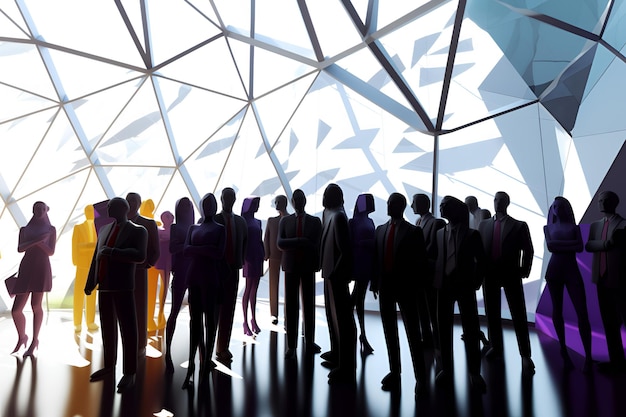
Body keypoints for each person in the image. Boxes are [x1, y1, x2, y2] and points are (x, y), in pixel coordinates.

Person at [84, 197, 148, 392]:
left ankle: (130, 372)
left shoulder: (138, 231)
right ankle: (109, 365)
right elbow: (96, 257)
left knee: (128, 329)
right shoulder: (104, 230)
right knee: (107, 328)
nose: (108, 208)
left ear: (123, 209)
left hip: (122, 286)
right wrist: (91, 283)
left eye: (112, 206)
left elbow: (140, 255)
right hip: (104, 286)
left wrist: (113, 252)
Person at [371, 193, 427, 396]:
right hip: (385, 286)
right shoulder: (380, 230)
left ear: (401, 206)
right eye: (388, 203)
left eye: (391, 203)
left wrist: (418, 289)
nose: (387, 206)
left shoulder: (413, 232)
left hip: (406, 288)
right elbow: (376, 259)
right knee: (389, 331)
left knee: (413, 332)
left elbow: (421, 263)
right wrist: (375, 284)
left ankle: (421, 377)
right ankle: (395, 371)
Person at [478, 191, 535, 375]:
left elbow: (528, 250)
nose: (498, 202)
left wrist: (523, 271)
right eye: (496, 199)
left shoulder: (518, 225)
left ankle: (525, 354)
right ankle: (496, 346)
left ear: (507, 203)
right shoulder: (483, 225)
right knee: (491, 313)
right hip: (489, 274)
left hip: (511, 274)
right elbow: (479, 251)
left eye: (502, 200)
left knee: (518, 314)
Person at [434, 196, 486, 393]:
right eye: (441, 205)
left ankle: (474, 372)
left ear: (455, 209)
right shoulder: (440, 233)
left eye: (445, 205)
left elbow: (481, 261)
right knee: (443, 329)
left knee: (471, 329)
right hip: (444, 285)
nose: (441, 207)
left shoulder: (472, 235)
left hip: (465, 286)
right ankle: (447, 369)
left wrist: (476, 283)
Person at [182, 193, 225, 388]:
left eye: (212, 204)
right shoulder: (194, 227)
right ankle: (192, 364)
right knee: (195, 322)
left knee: (210, 321)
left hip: (210, 277)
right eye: (206, 204)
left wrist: (197, 248)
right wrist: (205, 248)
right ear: (201, 206)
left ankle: (206, 361)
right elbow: (185, 250)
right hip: (195, 276)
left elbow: (219, 253)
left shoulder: (220, 229)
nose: (209, 207)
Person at [544, 196, 592, 371]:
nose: (557, 208)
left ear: (566, 208)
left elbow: (579, 247)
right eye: (555, 205)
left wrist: (560, 245)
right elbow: (551, 246)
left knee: (582, 312)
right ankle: (563, 349)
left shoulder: (573, 227)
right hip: (555, 271)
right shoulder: (549, 227)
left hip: (570, 270)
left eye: (560, 205)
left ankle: (588, 355)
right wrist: (568, 245)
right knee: (557, 310)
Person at [277, 189, 322, 359]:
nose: (297, 202)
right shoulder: (285, 221)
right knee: (291, 306)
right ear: (292, 202)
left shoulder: (314, 221)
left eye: (300, 199)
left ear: (305, 200)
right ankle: (291, 345)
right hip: (291, 267)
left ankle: (309, 341)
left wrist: (294, 243)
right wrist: (301, 241)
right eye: (295, 199)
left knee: (309, 305)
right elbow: (280, 243)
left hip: (308, 266)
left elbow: (316, 244)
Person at [584, 190, 626, 373]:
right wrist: (607, 244)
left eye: (604, 200)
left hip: (620, 279)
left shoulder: (623, 224)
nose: (600, 203)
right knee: (608, 322)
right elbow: (589, 245)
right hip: (601, 279)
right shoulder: (595, 226)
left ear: (613, 202)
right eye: (600, 200)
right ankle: (616, 360)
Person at [320, 183, 356, 385]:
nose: (323, 196)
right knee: (332, 317)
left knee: (343, 320)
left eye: (327, 194)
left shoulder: (339, 217)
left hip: (336, 276)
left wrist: (335, 272)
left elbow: (345, 251)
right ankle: (336, 352)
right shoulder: (330, 214)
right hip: (330, 274)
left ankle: (346, 365)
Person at [11, 201, 56, 357]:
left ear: (46, 210)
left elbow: (50, 252)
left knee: (35, 305)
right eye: (37, 208)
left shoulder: (51, 229)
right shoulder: (25, 229)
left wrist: (37, 243)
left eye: (42, 208)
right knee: (16, 310)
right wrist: (38, 241)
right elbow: (20, 248)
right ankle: (22, 336)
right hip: (27, 267)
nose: (40, 211)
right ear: (33, 209)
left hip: (42, 267)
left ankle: (35, 340)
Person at [215, 187, 248, 362]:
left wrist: (238, 263)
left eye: (231, 197)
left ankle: (223, 347)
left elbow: (244, 243)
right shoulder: (214, 219)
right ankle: (211, 347)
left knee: (229, 309)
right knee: (213, 311)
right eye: (226, 197)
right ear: (221, 199)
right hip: (216, 271)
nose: (229, 200)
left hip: (233, 270)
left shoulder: (241, 222)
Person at [126, 192, 160, 358]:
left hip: (139, 271)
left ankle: (140, 343)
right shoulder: (119, 224)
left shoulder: (148, 223)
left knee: (140, 307)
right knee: (123, 308)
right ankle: (128, 341)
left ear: (139, 203)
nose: (131, 203)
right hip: (122, 272)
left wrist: (147, 264)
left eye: (134, 200)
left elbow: (155, 250)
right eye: (129, 200)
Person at [411, 193, 445, 350]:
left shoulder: (436, 222)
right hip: (419, 272)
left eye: (414, 203)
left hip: (428, 273)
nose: (411, 206)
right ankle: (427, 337)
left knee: (431, 309)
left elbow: (432, 247)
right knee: (421, 309)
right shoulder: (419, 221)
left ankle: (437, 340)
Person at [165, 197, 195, 372]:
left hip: (192, 271)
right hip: (182, 272)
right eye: (184, 207)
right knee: (175, 311)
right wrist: (188, 245)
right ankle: (168, 351)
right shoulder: (177, 227)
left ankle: (197, 352)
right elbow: (172, 248)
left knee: (194, 313)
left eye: (188, 206)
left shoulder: (191, 227)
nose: (186, 209)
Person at [349, 193, 376, 355]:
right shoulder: (354, 222)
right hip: (359, 261)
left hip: (367, 262)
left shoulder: (369, 221)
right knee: (358, 298)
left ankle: (360, 333)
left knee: (358, 298)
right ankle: (361, 334)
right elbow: (350, 243)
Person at [72, 204, 98, 333]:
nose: (90, 213)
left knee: (92, 293)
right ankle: (77, 322)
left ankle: (90, 321)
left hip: (94, 264)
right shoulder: (78, 227)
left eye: (92, 211)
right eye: (87, 210)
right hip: (82, 264)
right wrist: (76, 261)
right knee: (79, 294)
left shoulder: (98, 228)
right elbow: (75, 245)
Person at [241, 196, 265, 336]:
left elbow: (260, 239)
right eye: (255, 204)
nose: (257, 206)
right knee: (249, 287)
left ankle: (253, 319)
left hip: (258, 255)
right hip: (249, 257)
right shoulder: (244, 221)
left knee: (254, 288)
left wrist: (263, 253)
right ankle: (245, 321)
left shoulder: (257, 222)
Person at [264, 195, 289, 325]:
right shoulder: (271, 221)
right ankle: (274, 313)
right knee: (273, 285)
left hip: (287, 256)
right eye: (276, 202)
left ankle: (286, 312)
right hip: (274, 256)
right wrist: (266, 253)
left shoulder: (291, 219)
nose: (276, 204)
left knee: (288, 286)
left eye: (278, 202)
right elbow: (266, 237)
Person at [140, 198, 163, 332]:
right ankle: (147, 319)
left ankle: (149, 319)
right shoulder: (154, 223)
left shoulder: (156, 223)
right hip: (148, 263)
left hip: (152, 265)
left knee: (151, 292)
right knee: (147, 292)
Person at [155, 210, 174, 331]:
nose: (169, 218)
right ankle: (161, 312)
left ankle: (162, 312)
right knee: (164, 284)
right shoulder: (159, 230)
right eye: (167, 217)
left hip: (170, 259)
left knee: (166, 285)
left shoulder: (172, 230)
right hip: (163, 260)